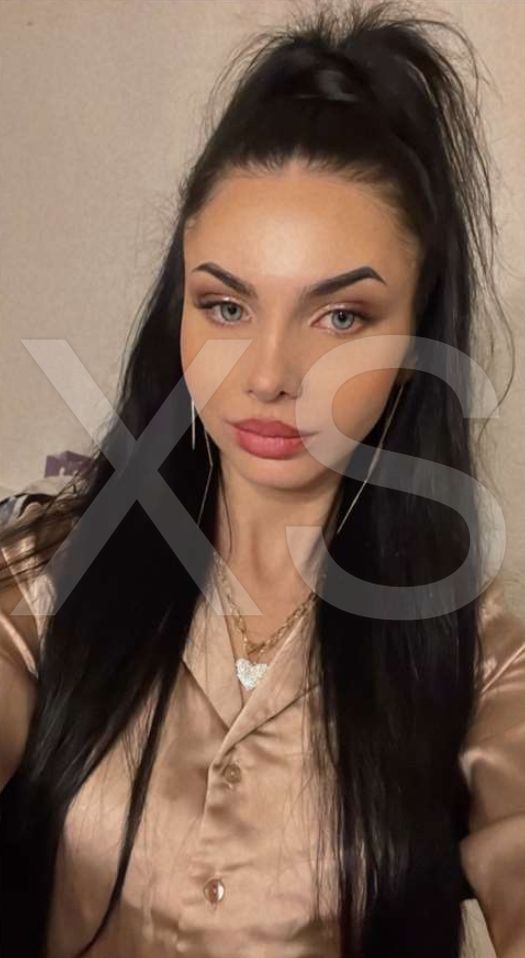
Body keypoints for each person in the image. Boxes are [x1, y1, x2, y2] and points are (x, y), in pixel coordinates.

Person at [0, 1, 524, 956]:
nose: (270, 375)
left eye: (340, 317)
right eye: (226, 305)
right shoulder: (50, 576)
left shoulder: (474, 657)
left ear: (415, 338)